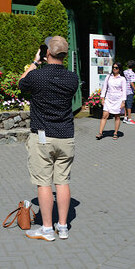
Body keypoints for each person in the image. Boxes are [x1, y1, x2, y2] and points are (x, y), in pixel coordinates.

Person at [18, 36, 79, 241]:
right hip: (65, 136)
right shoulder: (72, 78)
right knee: (62, 181)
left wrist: (35, 62)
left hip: (43, 136)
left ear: (47, 53)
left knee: (44, 183)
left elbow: (20, 83)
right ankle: (62, 227)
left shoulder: (37, 76)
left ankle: (46, 229)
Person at [96, 62, 127, 141]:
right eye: (113, 67)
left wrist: (123, 102)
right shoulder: (109, 77)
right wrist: (102, 98)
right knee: (104, 115)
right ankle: (100, 133)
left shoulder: (122, 79)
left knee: (117, 117)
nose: (114, 69)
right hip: (109, 98)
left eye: (116, 68)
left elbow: (124, 91)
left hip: (118, 99)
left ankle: (115, 133)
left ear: (119, 69)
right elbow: (104, 87)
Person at [123, 60, 135, 125]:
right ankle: (129, 119)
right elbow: (131, 82)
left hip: (124, 90)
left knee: (125, 104)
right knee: (129, 105)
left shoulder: (124, 72)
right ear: (134, 66)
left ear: (127, 65)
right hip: (129, 91)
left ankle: (125, 117)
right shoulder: (132, 73)